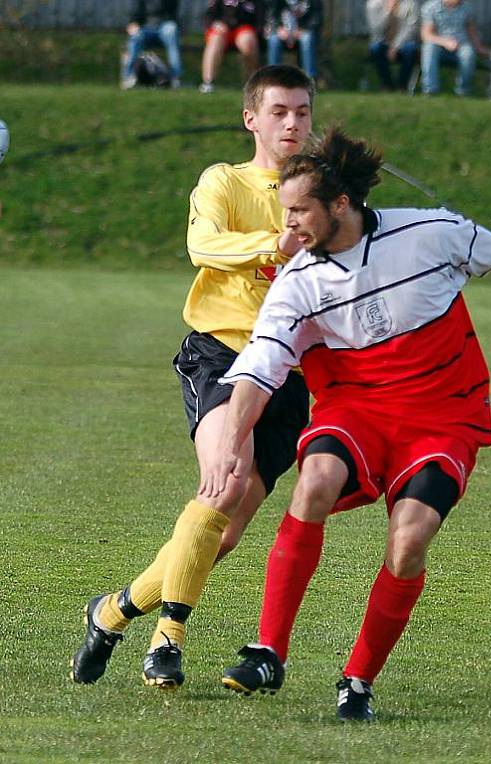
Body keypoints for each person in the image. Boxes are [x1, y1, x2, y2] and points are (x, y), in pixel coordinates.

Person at [202, 126, 491, 721]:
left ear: (341, 205)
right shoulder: (296, 282)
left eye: (300, 211)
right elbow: (259, 369)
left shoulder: (431, 233)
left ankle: (357, 680)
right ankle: (267, 650)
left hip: (444, 414)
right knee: (317, 478)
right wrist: (234, 440)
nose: (288, 229)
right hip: (354, 409)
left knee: (409, 542)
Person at [70, 65, 315, 689]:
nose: (293, 122)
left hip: (289, 376)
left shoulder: (323, 196)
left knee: (224, 535)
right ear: (251, 119)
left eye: (303, 112)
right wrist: (273, 245)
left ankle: (111, 612)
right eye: (280, 111)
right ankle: (167, 640)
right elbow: (204, 246)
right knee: (224, 481)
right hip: (223, 356)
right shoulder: (224, 181)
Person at [420, 0, 488, 96]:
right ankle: (430, 90)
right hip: (438, 45)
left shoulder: (467, 8)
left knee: (468, 53)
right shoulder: (431, 7)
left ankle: (463, 92)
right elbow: (426, 35)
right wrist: (445, 42)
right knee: (429, 48)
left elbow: (472, 32)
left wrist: (479, 47)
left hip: (461, 44)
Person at [199, 0, 266, 94]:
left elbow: (260, 21)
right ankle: (208, 82)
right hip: (222, 29)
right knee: (216, 38)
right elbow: (209, 15)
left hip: (244, 29)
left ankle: (252, 83)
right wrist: (215, 23)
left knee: (248, 41)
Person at [121, 0, 183, 90]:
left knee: (171, 30)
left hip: (164, 28)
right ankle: (129, 77)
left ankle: (175, 77)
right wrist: (133, 23)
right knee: (135, 36)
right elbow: (135, 12)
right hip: (145, 29)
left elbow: (172, 14)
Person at [366, 0, 420, 93]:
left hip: (403, 43)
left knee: (411, 48)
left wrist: (395, 46)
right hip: (382, 43)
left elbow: (411, 28)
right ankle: (387, 85)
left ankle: (402, 86)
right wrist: (388, 12)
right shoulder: (373, 4)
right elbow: (375, 30)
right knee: (375, 48)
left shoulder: (411, 4)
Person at [266, 0, 323, 80]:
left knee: (307, 39)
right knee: (273, 40)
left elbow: (317, 18)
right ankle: (273, 77)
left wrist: (303, 30)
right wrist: (278, 28)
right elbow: (271, 16)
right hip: (283, 32)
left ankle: (310, 79)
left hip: (304, 32)